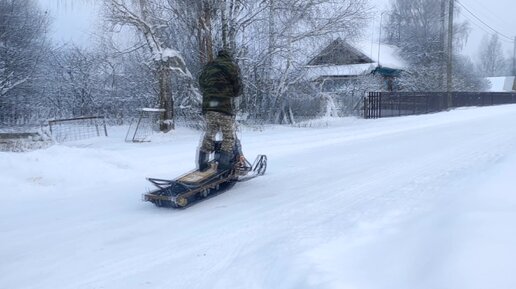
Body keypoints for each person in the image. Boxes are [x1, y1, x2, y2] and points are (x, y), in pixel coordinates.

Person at [197, 49, 242, 172]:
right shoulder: (231, 67)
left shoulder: (208, 67)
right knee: (228, 137)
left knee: (210, 133)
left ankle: (202, 163)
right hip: (224, 108)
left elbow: (201, 84)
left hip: (209, 107)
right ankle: (223, 166)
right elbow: (238, 89)